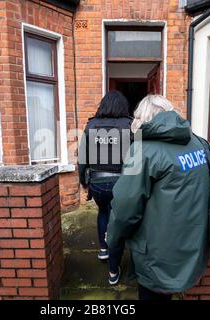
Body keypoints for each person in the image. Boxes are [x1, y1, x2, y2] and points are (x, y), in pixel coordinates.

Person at [106, 95, 210, 300]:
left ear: (142, 117)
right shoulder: (198, 143)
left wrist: (113, 237)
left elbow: (125, 208)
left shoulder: (141, 150)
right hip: (194, 243)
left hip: (157, 253)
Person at [78, 90, 133, 285]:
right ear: (122, 106)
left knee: (103, 213)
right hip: (123, 183)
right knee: (118, 221)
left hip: (98, 183)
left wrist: (84, 182)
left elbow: (82, 159)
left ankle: (103, 250)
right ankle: (113, 270)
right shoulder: (130, 125)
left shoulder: (91, 125)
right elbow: (138, 160)